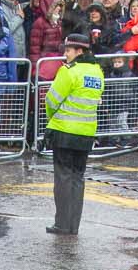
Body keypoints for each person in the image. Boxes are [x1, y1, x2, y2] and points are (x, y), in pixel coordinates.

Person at [42, 31, 102, 235]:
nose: (65, 54)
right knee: (78, 179)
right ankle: (73, 225)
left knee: (63, 179)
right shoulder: (97, 71)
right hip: (86, 133)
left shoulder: (69, 71)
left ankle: (62, 223)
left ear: (80, 51)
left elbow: (51, 100)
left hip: (64, 131)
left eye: (68, 50)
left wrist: (52, 118)